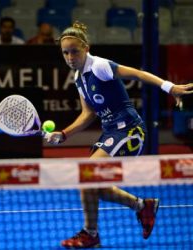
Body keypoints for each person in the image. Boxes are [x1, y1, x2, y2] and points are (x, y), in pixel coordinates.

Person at [46, 21, 193, 248]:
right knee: (94, 184)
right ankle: (142, 206)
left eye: (74, 51)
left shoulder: (100, 66)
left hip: (130, 131)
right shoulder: (78, 77)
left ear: (86, 47)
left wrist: (169, 87)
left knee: (87, 175)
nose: (70, 57)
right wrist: (63, 134)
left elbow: (139, 74)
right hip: (110, 132)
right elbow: (88, 114)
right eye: (65, 53)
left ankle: (90, 234)